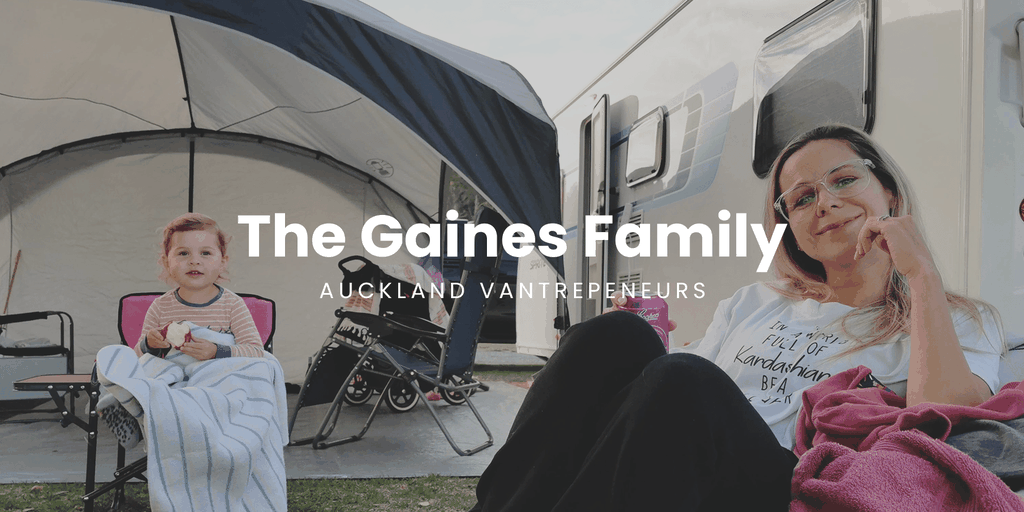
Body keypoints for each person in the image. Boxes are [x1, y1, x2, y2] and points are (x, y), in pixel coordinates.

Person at [469, 124, 1005, 511]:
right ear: (790, 227)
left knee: (685, 379)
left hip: (782, 485)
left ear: (886, 190)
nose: (824, 203)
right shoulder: (754, 301)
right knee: (614, 335)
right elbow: (673, 394)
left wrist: (922, 276)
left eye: (844, 180)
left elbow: (947, 421)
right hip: (685, 464)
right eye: (801, 199)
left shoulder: (954, 318)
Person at [135, 212, 265, 360]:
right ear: (166, 262)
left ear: (222, 262)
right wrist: (149, 344)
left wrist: (217, 352)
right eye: (183, 253)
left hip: (222, 379)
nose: (194, 260)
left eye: (205, 253)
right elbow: (137, 358)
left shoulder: (232, 305)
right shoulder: (160, 307)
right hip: (175, 381)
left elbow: (256, 352)